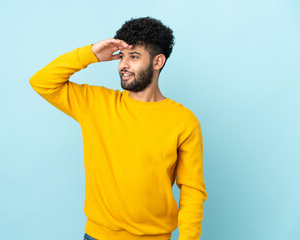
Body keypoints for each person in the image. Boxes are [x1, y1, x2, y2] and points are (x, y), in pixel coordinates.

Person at [29, 17, 207, 240]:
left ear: (157, 61)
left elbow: (192, 190)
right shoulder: (95, 103)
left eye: (134, 57)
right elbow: (41, 81)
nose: (123, 65)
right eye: (122, 57)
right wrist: (91, 53)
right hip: (97, 236)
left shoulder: (184, 121)